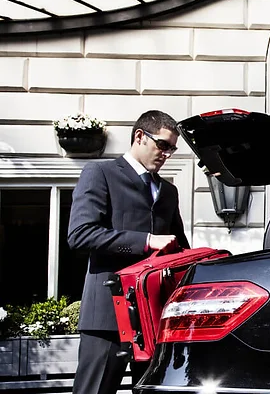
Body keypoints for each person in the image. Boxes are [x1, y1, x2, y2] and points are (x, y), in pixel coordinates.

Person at [68, 110, 189, 394]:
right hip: (107, 316)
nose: (167, 154)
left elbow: (179, 248)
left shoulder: (168, 191)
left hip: (153, 319)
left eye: (172, 148)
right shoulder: (101, 173)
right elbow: (80, 234)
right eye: (163, 145)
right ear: (139, 136)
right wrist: (146, 241)